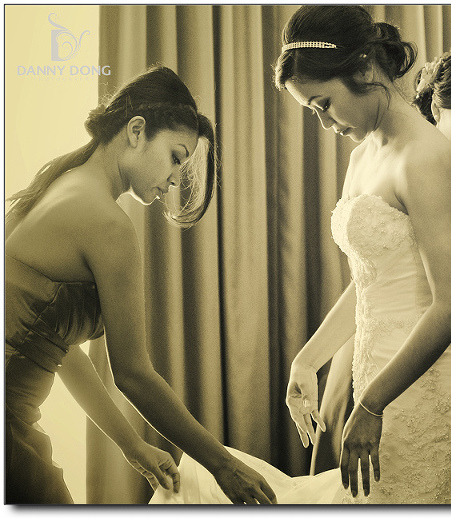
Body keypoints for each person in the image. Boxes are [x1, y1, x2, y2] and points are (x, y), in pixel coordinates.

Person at [5, 65, 276, 505]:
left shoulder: (55, 185)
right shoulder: (107, 222)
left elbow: (57, 347)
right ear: (136, 131)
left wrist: (132, 445)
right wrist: (223, 465)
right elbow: (133, 373)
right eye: (176, 157)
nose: (175, 180)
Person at [276, 5, 451, 504]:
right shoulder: (362, 156)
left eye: (324, 104)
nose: (324, 122)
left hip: (430, 390)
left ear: (366, 68)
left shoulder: (425, 156)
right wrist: (307, 360)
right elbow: (371, 282)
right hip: (379, 379)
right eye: (312, 110)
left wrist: (372, 404)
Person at [309, 40, 451, 501]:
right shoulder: (382, 156)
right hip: (366, 349)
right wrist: (308, 359)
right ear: (437, 105)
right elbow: (368, 280)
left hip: (438, 351)